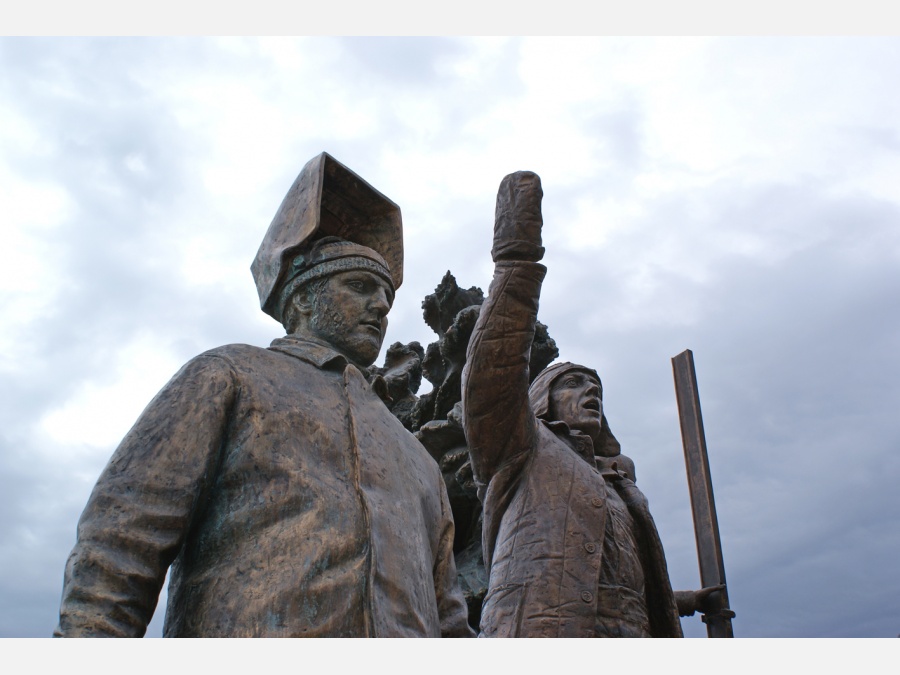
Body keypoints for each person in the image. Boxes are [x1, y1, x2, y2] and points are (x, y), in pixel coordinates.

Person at [55, 152, 473, 638]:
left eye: (386, 296)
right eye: (359, 286)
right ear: (301, 299)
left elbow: (450, 621)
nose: (380, 306)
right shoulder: (229, 375)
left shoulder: (416, 457)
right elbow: (118, 546)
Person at [462, 170, 714, 637]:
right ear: (541, 402)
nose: (591, 391)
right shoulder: (523, 449)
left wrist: (689, 601)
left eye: (595, 385)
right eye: (573, 383)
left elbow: (621, 586)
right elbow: (492, 372)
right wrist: (516, 261)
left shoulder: (620, 486)